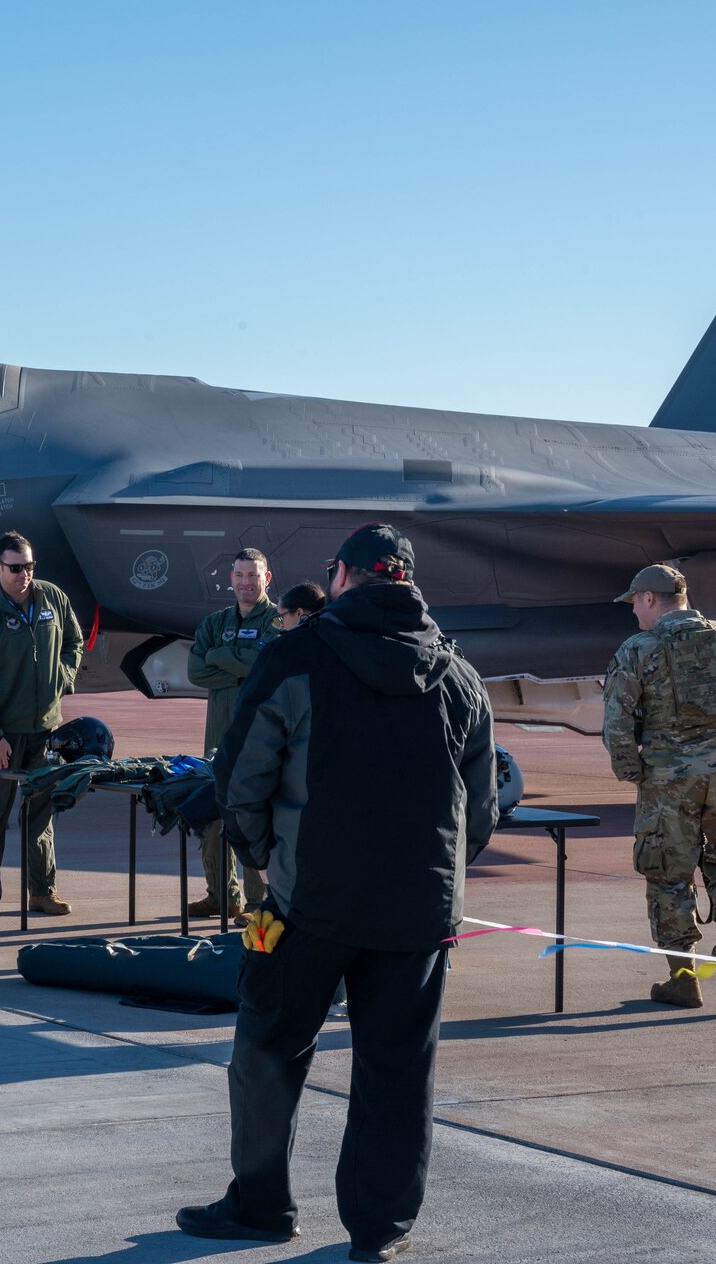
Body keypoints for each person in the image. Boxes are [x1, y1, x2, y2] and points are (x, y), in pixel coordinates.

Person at [179, 524, 498, 1263]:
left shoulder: (297, 655)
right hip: (417, 916)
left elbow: (241, 777)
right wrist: (435, 876)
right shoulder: (458, 675)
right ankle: (379, 1229)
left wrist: (269, 862)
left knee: (266, 1046)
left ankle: (260, 1205)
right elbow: (480, 808)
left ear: (346, 576)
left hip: (303, 904)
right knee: (397, 1069)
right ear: (409, 582)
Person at [602, 563, 716, 1010]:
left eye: (635, 603)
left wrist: (633, 771)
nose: (634, 613)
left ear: (649, 599)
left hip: (668, 782)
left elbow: (618, 723)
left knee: (667, 878)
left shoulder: (639, 648)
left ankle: (683, 979)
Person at [0, 530, 84, 917]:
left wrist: (62, 679)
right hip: (0, 733)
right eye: (15, 568)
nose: (24, 574)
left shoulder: (52, 598)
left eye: (29, 566)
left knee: (40, 814)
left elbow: (74, 642)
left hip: (43, 729)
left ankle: (42, 891)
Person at [184, 549, 278, 917]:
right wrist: (241, 668)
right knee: (213, 819)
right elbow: (195, 671)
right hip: (218, 738)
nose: (245, 583)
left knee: (254, 820)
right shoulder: (216, 622)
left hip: (258, 740)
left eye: (252, 576)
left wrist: (220, 657)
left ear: (266, 579)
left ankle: (257, 903)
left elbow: (265, 665)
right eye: (239, 575)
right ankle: (221, 895)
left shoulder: (276, 622)